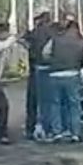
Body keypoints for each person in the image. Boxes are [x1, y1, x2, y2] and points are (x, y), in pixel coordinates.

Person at [45, 14, 83, 142]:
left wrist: (53, 60)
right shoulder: (82, 41)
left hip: (55, 73)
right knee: (74, 104)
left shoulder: (55, 38)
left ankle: (57, 132)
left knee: (55, 104)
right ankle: (75, 132)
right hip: (73, 73)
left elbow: (45, 53)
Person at [23, 11, 54, 140]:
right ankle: (47, 127)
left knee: (32, 100)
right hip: (50, 68)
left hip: (35, 67)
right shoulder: (52, 33)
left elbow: (24, 40)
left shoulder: (34, 33)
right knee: (48, 101)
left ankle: (30, 128)